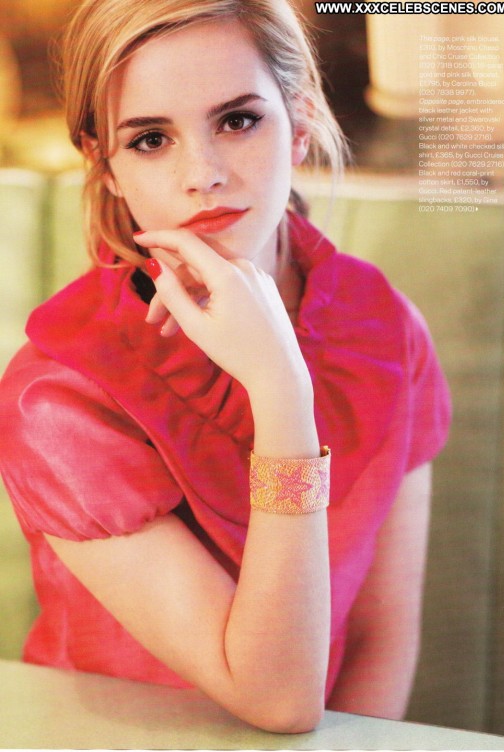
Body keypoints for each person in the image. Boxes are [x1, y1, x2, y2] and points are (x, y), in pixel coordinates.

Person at [0, 0, 451, 734]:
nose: (203, 175)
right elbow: (277, 696)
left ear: (299, 123)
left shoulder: (387, 328)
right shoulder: (58, 396)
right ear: (105, 166)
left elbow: (381, 637)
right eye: (150, 139)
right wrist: (280, 390)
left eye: (238, 120)